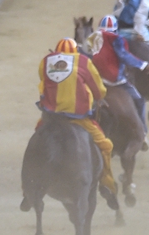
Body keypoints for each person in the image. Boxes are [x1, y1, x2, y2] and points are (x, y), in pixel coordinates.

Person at [38, 38, 118, 209]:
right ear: (76, 52)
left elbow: (42, 82)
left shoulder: (45, 62)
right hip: (79, 120)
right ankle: (106, 183)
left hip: (50, 119)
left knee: (36, 143)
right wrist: (98, 97)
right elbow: (99, 90)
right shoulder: (84, 62)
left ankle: (28, 187)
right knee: (105, 146)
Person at [86, 15, 149, 134]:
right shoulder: (117, 39)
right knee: (139, 100)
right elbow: (125, 56)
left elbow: (86, 56)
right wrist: (145, 65)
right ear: (115, 29)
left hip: (96, 81)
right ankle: (143, 132)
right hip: (116, 81)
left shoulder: (92, 39)